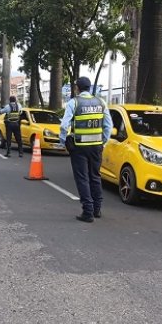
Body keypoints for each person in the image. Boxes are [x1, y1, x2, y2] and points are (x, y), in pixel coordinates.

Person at [59, 76, 113, 223]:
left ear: (77, 88)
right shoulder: (101, 102)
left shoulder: (74, 102)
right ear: (89, 87)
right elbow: (108, 126)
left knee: (82, 178)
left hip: (79, 147)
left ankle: (87, 211)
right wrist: (103, 142)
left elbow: (64, 126)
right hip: (96, 147)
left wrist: (63, 141)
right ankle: (97, 209)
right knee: (95, 176)